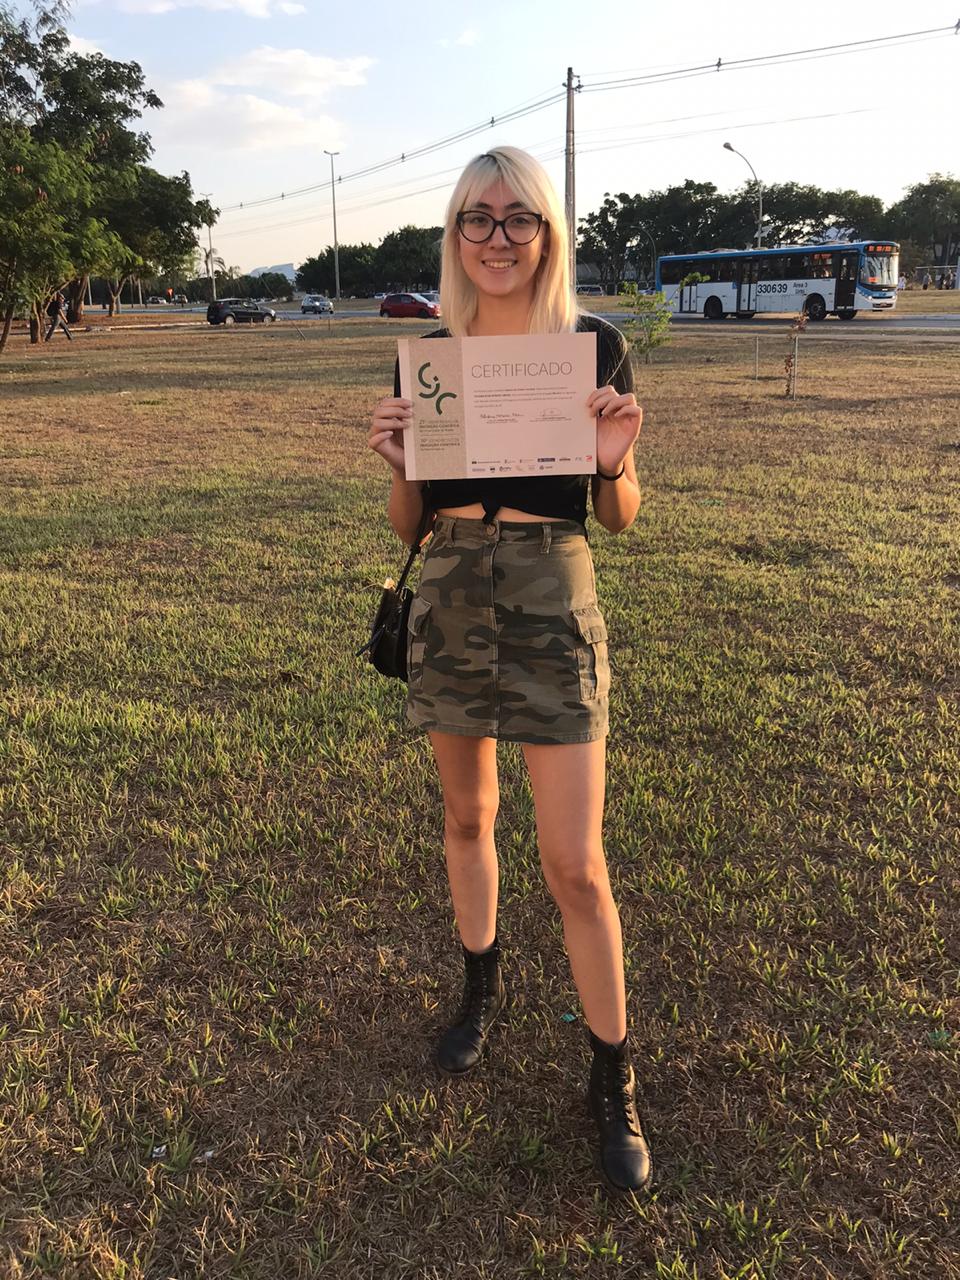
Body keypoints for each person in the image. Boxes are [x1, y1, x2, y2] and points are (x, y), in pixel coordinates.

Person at [367, 147, 651, 1195]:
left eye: (517, 218)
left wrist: (617, 459)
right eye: (476, 220)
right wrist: (397, 467)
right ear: (454, 236)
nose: (497, 237)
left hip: (551, 589)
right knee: (467, 817)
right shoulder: (429, 355)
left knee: (577, 862)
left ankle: (610, 1071)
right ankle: (480, 983)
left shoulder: (592, 345)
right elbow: (412, 521)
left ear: (547, 233)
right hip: (449, 590)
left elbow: (618, 516)